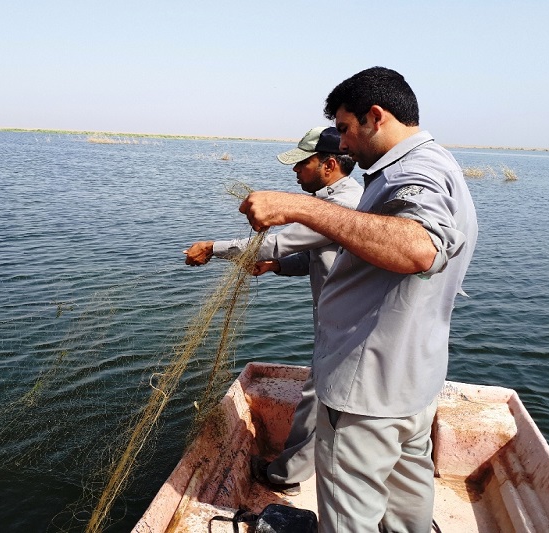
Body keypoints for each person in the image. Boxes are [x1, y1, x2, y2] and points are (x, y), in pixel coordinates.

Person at [239, 67, 478, 532]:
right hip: (413, 383)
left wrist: (298, 206)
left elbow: (417, 248)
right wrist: (284, 261)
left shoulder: (415, 171)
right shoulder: (438, 163)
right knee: (409, 506)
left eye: (346, 130)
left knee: (350, 517)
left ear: (376, 116)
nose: (342, 145)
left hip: (365, 393)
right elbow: (376, 255)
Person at [184, 126, 363, 496]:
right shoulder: (334, 200)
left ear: (329, 164)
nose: (295, 172)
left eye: (302, 164)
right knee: (324, 396)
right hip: (338, 322)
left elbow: (276, 244)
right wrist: (280, 267)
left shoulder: (342, 206)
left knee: (320, 398)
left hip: (349, 328)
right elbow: (318, 255)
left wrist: (211, 247)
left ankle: (285, 476)